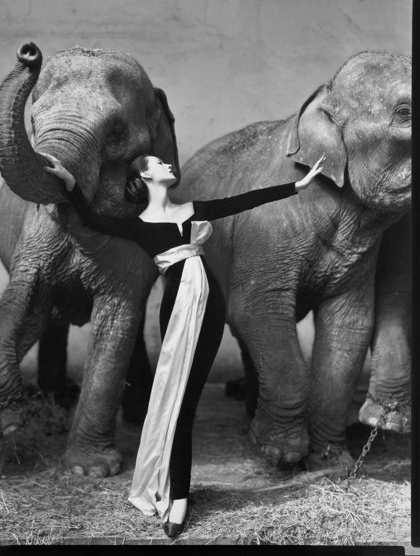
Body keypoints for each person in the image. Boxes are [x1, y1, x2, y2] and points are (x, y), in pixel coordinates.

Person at [40, 151, 325, 538]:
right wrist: (71, 185)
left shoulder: (193, 209)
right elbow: (89, 219)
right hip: (177, 308)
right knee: (178, 408)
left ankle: (179, 496)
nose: (168, 166)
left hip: (209, 306)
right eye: (159, 164)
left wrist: (298, 186)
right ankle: (177, 499)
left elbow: (244, 201)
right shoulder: (137, 225)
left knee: (186, 401)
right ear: (144, 177)